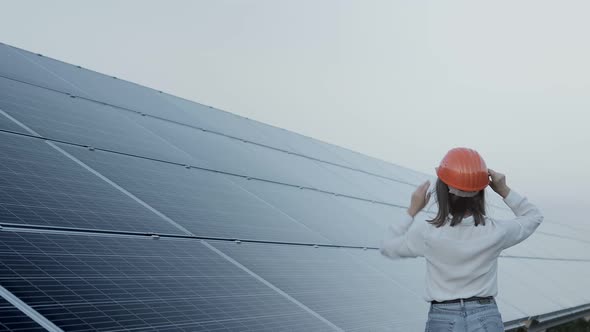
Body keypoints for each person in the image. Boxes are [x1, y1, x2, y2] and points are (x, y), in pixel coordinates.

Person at [380, 147, 544, 332]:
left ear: (441, 190)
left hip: (442, 318)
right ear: (480, 192)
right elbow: (534, 217)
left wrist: (412, 210)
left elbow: (387, 246)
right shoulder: (496, 231)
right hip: (486, 315)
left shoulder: (427, 233)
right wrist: (503, 189)